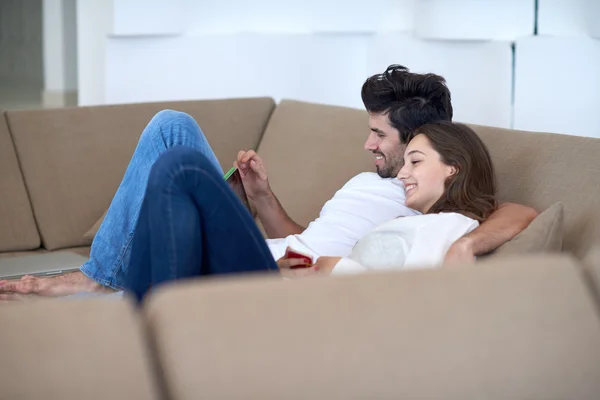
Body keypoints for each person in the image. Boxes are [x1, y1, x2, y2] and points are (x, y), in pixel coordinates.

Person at [0, 65, 537, 300]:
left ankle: (102, 278)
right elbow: (315, 240)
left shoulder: (426, 207)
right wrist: (259, 198)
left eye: (379, 134)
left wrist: (468, 244)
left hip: (263, 269)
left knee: (175, 143)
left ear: (426, 144)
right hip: (271, 252)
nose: (369, 145)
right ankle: (111, 274)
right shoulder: (378, 186)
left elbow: (513, 210)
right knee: (174, 137)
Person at [123, 120, 498, 301]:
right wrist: (301, 263)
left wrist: (468, 245)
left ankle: (155, 321)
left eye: (415, 162)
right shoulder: (413, 219)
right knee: (176, 171)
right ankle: (147, 323)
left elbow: (397, 294)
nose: (403, 173)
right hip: (283, 271)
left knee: (182, 163)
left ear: (454, 168)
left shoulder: (449, 226)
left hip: (287, 291)